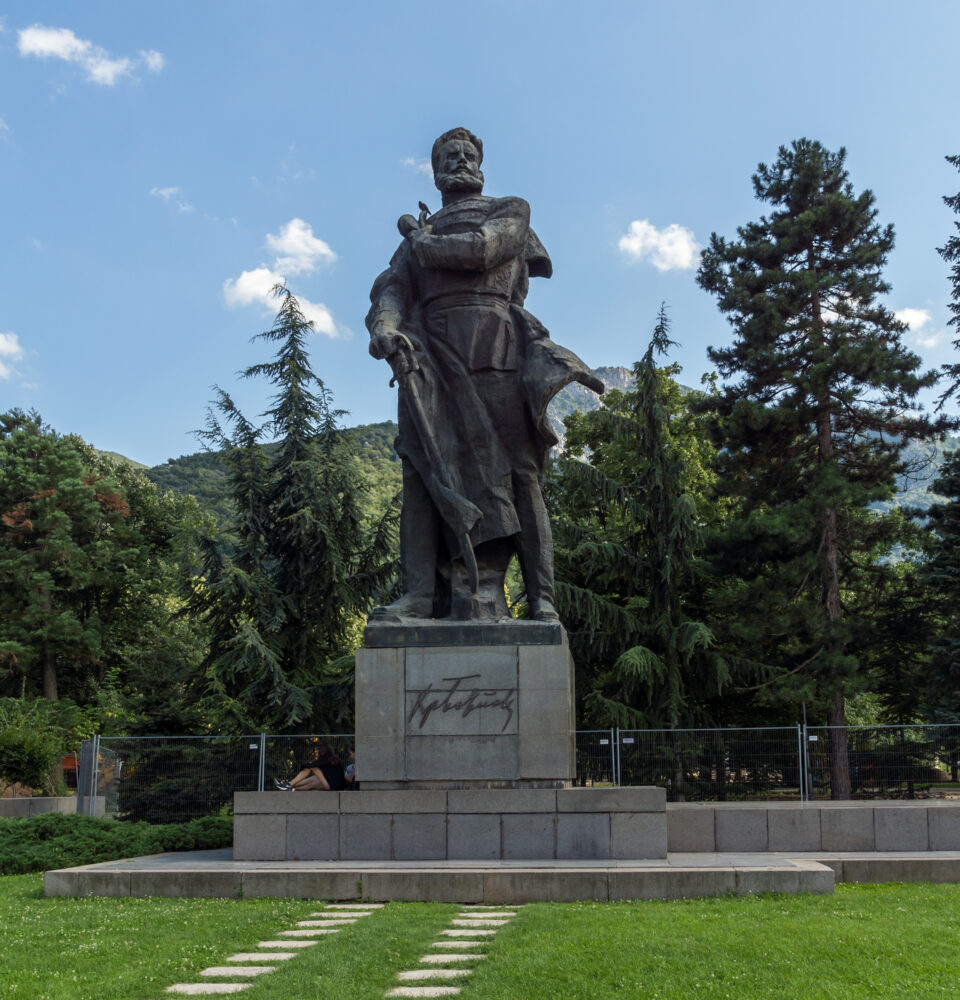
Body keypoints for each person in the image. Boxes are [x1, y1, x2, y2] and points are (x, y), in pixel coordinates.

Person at [366, 127, 603, 623]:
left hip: (497, 351)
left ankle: (541, 597)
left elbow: (481, 250)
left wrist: (421, 240)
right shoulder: (415, 242)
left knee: (521, 475)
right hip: (427, 357)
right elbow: (391, 290)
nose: (459, 161)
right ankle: (419, 595)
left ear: (480, 165)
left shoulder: (508, 209)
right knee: (420, 474)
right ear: (435, 173)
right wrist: (385, 328)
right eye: (449, 157)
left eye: (468, 155)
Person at [274, 743, 345, 791]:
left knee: (313, 768)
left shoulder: (326, 759)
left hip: (332, 785)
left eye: (316, 750)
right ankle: (290, 788)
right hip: (334, 785)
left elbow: (311, 766)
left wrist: (305, 766)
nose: (315, 752)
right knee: (311, 782)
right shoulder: (331, 758)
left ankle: (289, 784)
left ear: (321, 751)